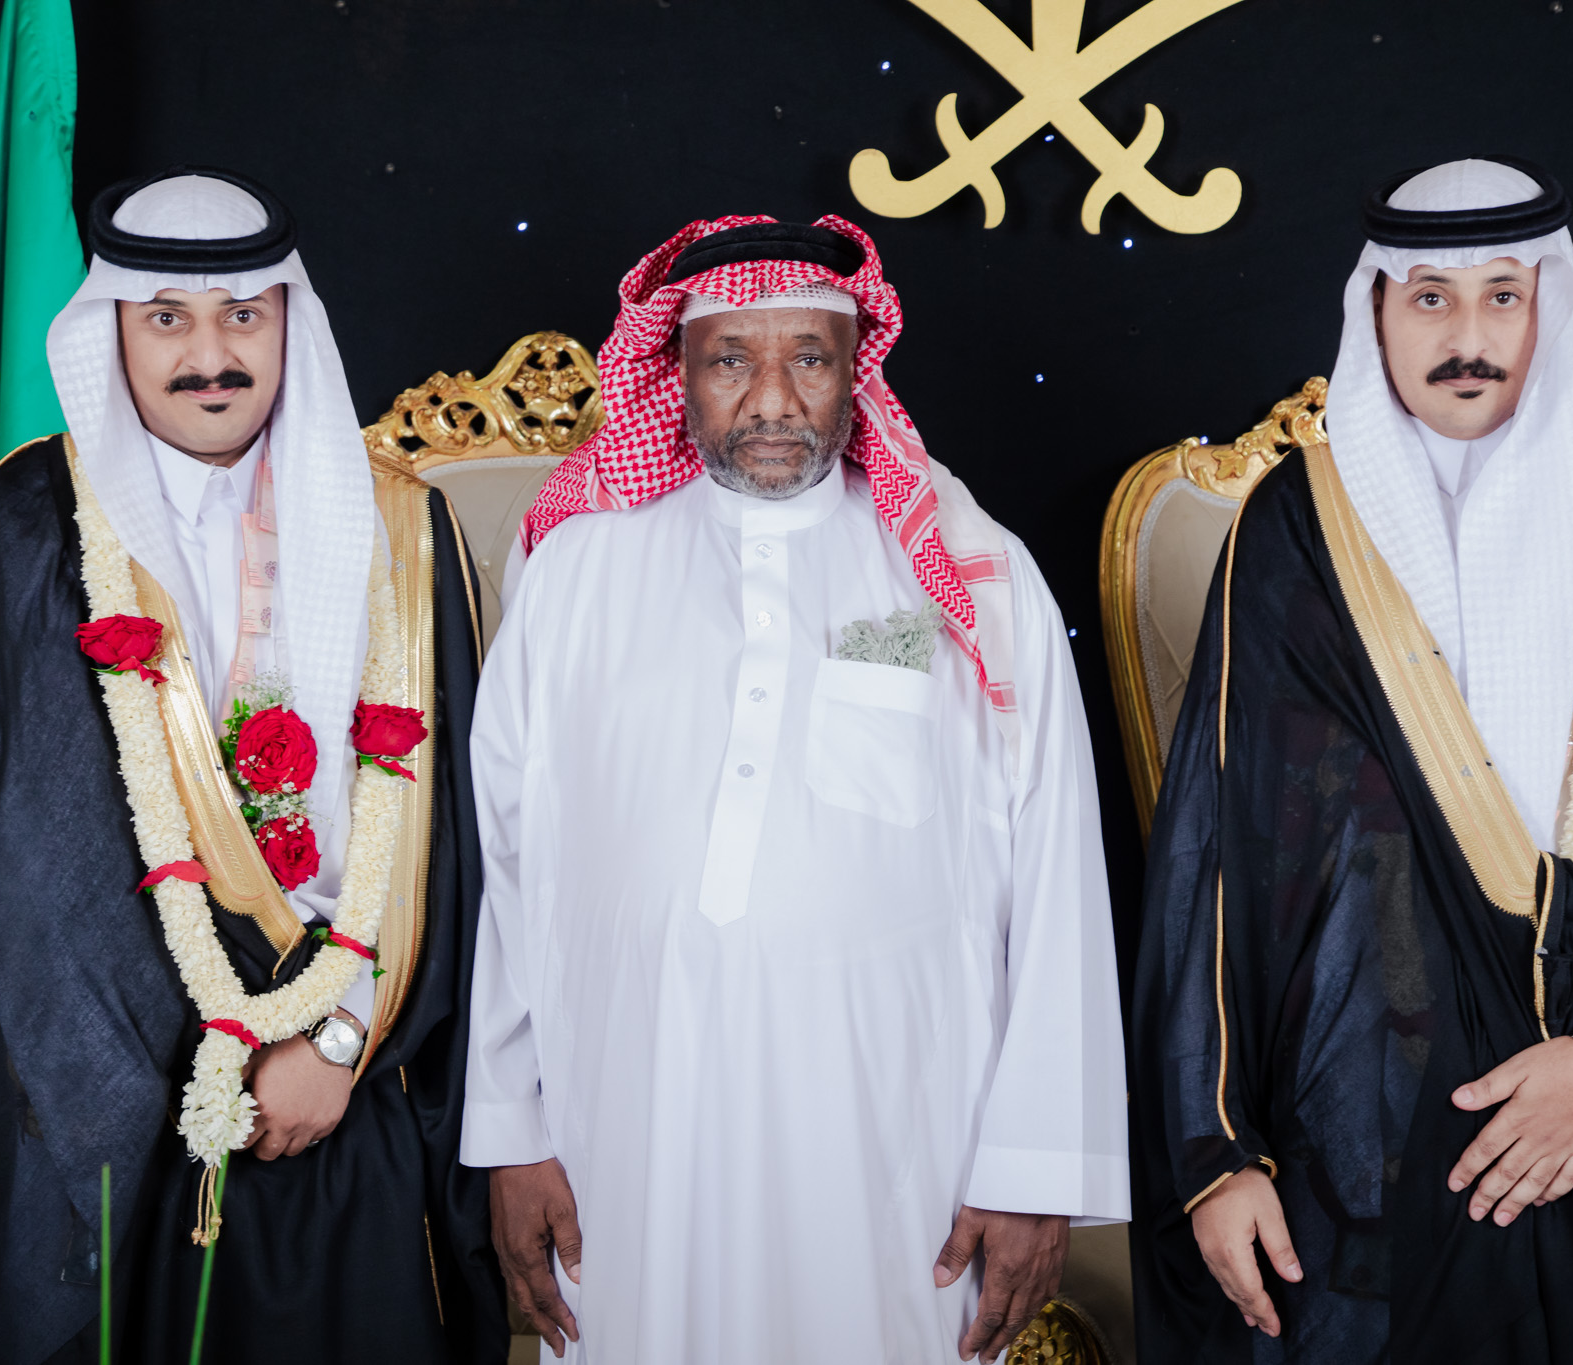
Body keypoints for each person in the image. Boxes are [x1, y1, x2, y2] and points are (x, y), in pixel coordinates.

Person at [1127, 156, 1573, 1362]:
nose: (1467, 338)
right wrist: (1215, 1157)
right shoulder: (1296, 526)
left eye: (1501, 295)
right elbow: (1219, 863)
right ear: (1375, 311)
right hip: (1361, 1151)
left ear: (1547, 301)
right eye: (1429, 299)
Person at [0, 167, 507, 1365]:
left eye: (244, 314)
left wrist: (340, 1038)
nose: (211, 355)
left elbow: (466, 839)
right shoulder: (11, 531)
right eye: (167, 319)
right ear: (112, 331)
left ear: (290, 320)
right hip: (71, 1117)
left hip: (333, 1100)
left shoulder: (404, 535)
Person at [458, 215, 1130, 1363]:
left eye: (808, 358)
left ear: (853, 369)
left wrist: (1035, 1168)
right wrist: (509, 1130)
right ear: (676, 372)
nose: (772, 400)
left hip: (899, 1140)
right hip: (628, 1127)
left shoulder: (969, 576)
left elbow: (1056, 872)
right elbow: (510, 866)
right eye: (731, 359)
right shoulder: (574, 573)